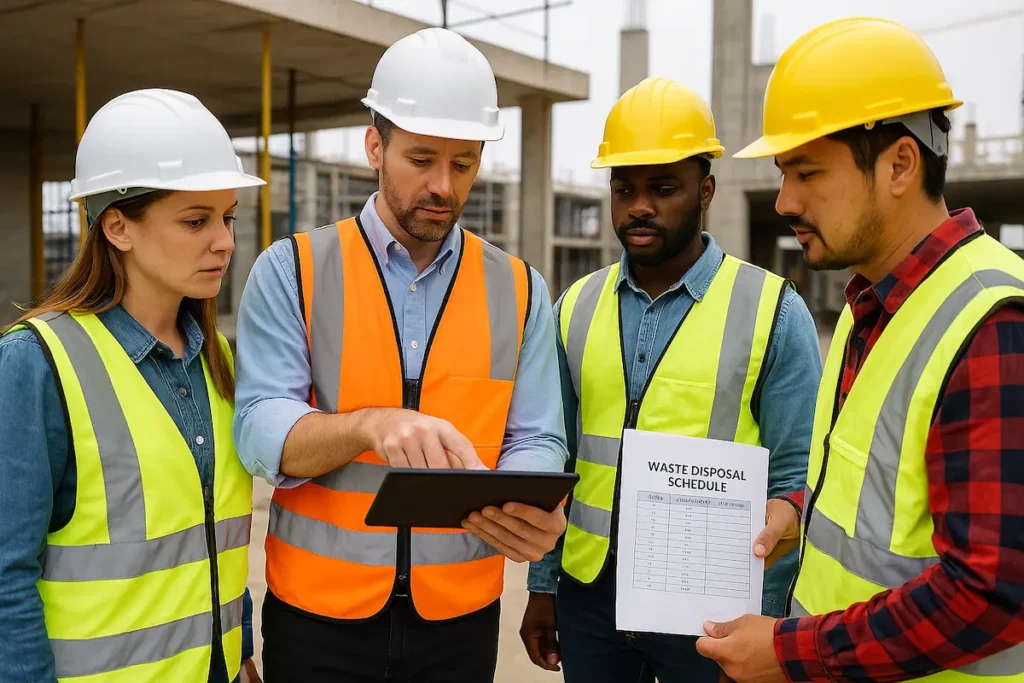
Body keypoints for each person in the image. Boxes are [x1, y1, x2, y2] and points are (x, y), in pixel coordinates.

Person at [232, 27, 569, 683]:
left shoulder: (522, 289)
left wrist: (530, 503)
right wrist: (370, 425)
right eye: (421, 159)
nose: (444, 185)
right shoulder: (293, 270)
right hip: (318, 620)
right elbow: (259, 430)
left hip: (462, 621)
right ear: (374, 146)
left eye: (464, 163)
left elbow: (535, 434)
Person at [695, 16, 1024, 683]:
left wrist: (787, 652)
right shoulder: (868, 305)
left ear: (900, 163)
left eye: (807, 171)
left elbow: (991, 593)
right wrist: (798, 515)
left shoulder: (991, 321)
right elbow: (874, 512)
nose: (785, 199)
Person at [518, 76, 822, 683]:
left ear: (705, 190)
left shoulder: (772, 310)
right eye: (623, 187)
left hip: (712, 615)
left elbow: (797, 478)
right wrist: (542, 584)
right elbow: (553, 461)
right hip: (590, 598)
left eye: (663, 188)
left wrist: (772, 620)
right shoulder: (575, 306)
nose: (639, 206)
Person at [0, 89, 264, 683]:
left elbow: (211, 536)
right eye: (196, 221)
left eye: (227, 217)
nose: (223, 240)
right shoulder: (35, 363)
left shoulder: (216, 358)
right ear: (117, 227)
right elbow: (3, 576)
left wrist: (240, 649)